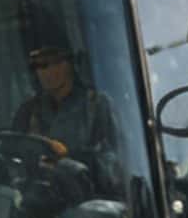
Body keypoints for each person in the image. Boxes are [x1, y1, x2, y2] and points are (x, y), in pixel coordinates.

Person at [10, 38, 123, 196]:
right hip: (33, 204)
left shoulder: (96, 105)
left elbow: (115, 162)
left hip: (86, 205)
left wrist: (67, 158)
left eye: (50, 63)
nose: (43, 72)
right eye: (37, 66)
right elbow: (9, 155)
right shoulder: (27, 111)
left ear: (70, 63)